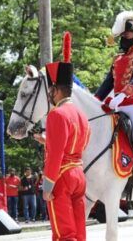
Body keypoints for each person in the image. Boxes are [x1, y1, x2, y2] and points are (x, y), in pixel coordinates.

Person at [33, 31, 91, 241]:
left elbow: (57, 153)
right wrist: (46, 140)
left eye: (51, 91)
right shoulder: (82, 115)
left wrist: (47, 186)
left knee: (64, 234)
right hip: (79, 174)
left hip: (62, 177)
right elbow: (78, 142)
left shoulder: (57, 114)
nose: (50, 95)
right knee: (79, 231)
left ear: (56, 91)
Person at [95, 11, 133, 203]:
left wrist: (123, 94)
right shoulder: (117, 59)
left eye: (126, 34)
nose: (123, 37)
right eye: (122, 34)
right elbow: (107, 84)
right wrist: (95, 101)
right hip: (118, 104)